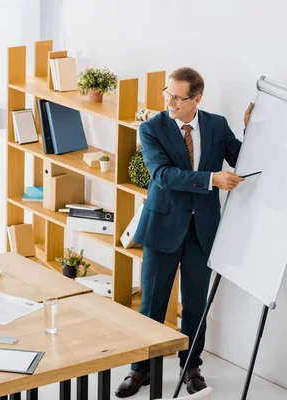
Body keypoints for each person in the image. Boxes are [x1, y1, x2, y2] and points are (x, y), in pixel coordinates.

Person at [115, 67, 254, 397]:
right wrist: (211, 179)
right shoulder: (152, 128)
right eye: (168, 94)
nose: (170, 102)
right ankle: (141, 370)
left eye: (178, 97)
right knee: (152, 304)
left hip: (202, 231)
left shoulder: (216, 125)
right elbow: (162, 175)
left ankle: (191, 366)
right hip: (163, 227)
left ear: (196, 98)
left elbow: (240, 159)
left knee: (195, 305)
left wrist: (252, 132)